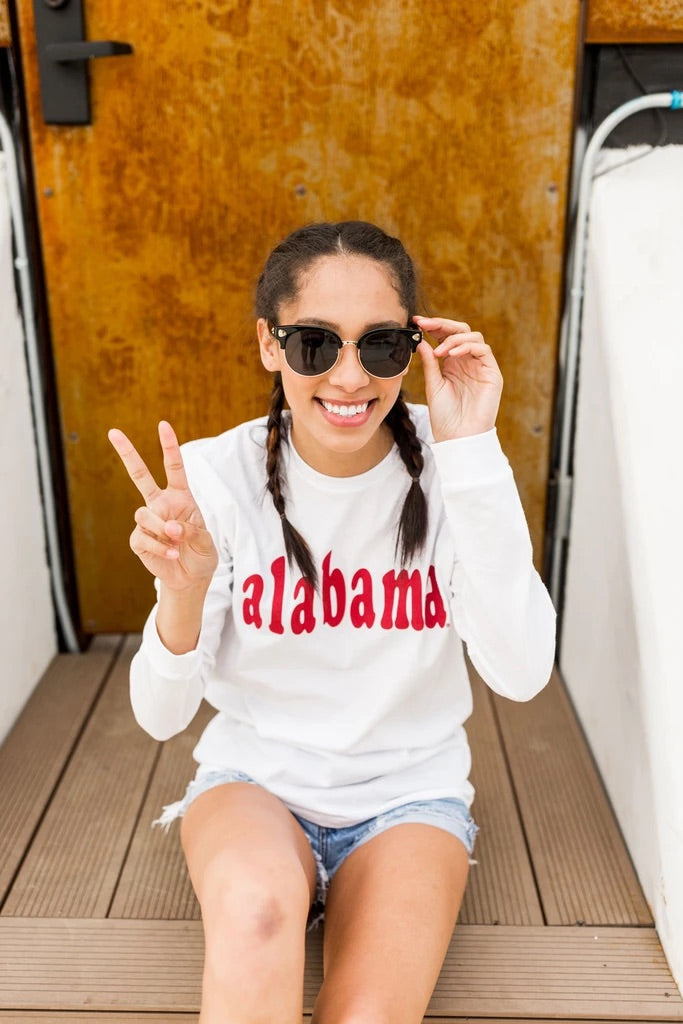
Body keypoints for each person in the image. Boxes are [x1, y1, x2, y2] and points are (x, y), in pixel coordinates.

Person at [108, 220, 556, 1024]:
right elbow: (160, 716)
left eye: (380, 345)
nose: (349, 377)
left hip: (408, 794)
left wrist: (472, 451)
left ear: (411, 348)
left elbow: (521, 675)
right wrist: (184, 590)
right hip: (256, 784)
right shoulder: (214, 477)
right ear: (268, 344)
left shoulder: (456, 465)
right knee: (256, 914)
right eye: (314, 344)